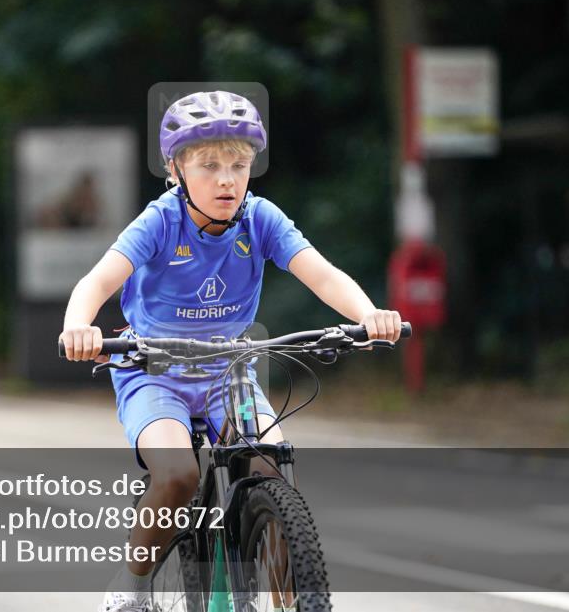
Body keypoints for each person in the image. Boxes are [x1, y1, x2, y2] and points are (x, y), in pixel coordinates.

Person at [59, 90, 402, 612]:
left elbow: (322, 273)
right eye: (209, 165)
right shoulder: (160, 221)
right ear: (176, 169)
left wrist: (367, 314)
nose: (226, 179)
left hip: (228, 370)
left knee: (270, 463)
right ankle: (129, 588)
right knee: (178, 475)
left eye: (239, 165)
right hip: (153, 369)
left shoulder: (260, 219)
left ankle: (288, 596)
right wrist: (78, 326)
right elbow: (98, 280)